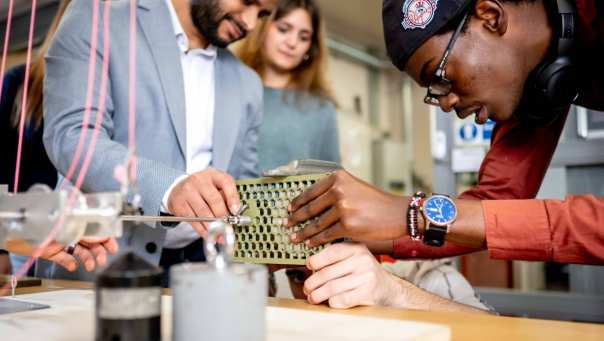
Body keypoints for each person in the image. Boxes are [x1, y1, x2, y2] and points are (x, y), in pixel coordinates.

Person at [281, 0, 604, 308]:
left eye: (439, 77)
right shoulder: (534, 84)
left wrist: (415, 213)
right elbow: (493, 207)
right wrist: (350, 236)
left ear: (490, 16)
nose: (447, 104)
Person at [43, 0, 277, 284]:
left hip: (201, 271)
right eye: (249, 2)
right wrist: (171, 188)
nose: (251, 23)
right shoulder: (97, 17)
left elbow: (242, 184)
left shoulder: (247, 83)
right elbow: (73, 137)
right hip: (105, 262)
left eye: (263, 13)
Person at [0, 0, 115, 274]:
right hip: (31, 230)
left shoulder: (118, 89)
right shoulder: (21, 82)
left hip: (89, 235)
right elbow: (4, 172)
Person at [236, 0, 340, 172]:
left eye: (304, 37)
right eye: (283, 29)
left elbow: (331, 180)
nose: (292, 43)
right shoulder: (230, 88)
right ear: (261, 28)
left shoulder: (322, 109)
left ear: (310, 48)